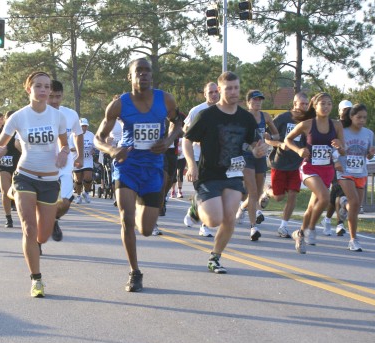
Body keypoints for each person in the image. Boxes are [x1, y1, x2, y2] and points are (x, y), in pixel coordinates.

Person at [94, 58, 181, 291]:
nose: (143, 75)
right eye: (138, 71)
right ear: (130, 77)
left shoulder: (166, 99)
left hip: (153, 167)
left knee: (146, 229)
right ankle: (134, 272)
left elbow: (179, 122)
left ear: (152, 76)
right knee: (126, 220)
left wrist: (169, 140)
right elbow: (98, 138)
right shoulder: (119, 105)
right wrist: (113, 150)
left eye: (147, 71)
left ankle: (147, 201)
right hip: (127, 165)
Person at [0, 71, 68, 298]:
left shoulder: (57, 117)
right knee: (28, 229)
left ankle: (50, 221)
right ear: (29, 89)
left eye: (46, 87)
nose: (43, 91)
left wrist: (64, 153)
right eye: (38, 86)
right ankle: (36, 280)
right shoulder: (19, 117)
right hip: (25, 175)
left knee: (42, 236)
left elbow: (64, 144)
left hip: (50, 179)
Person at [183, 71, 270, 273]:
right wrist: (192, 165)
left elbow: (253, 143)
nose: (233, 92)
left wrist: (258, 150)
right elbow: (187, 139)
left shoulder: (245, 118)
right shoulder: (207, 115)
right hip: (209, 174)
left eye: (236, 88)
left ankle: (215, 258)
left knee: (229, 218)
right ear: (220, 90)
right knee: (214, 220)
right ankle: (197, 206)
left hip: (233, 174)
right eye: (229, 88)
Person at [285, 92, 346, 254]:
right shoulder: (307, 124)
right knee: (325, 197)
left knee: (312, 207)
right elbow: (288, 139)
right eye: (322, 103)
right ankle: (311, 229)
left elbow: (344, 151)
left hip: (327, 170)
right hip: (309, 168)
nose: (326, 107)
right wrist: (298, 150)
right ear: (315, 105)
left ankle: (300, 233)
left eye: (329, 103)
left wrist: (339, 145)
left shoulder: (337, 125)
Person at [235, 90, 279, 241]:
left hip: (260, 157)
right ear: (248, 102)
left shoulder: (265, 116)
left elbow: (277, 135)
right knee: (252, 192)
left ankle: (242, 207)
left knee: (258, 193)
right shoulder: (243, 117)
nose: (257, 103)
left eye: (260, 100)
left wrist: (269, 137)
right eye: (254, 100)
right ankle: (253, 227)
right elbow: (238, 139)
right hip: (247, 156)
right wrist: (251, 148)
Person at [263, 92, 309, 238]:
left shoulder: (308, 121)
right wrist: (279, 144)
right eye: (302, 103)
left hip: (296, 164)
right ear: (294, 104)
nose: (305, 106)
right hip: (280, 162)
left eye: (307, 104)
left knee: (293, 194)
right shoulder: (283, 118)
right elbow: (267, 138)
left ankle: (284, 226)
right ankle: (267, 192)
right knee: (278, 197)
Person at [337, 103, 375, 251]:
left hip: (361, 172)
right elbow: (333, 148)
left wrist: (371, 154)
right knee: (354, 202)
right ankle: (353, 239)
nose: (362, 120)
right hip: (345, 172)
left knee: (355, 206)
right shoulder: (342, 131)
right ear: (351, 117)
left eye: (364, 118)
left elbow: (368, 155)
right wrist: (335, 162)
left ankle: (343, 204)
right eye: (358, 117)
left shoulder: (369, 134)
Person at [46, 80, 83, 242]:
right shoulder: (35, 114)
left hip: (64, 165)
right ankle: (38, 239)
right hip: (41, 166)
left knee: (65, 203)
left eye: (58, 97)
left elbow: (78, 134)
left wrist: (80, 155)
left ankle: (53, 220)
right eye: (51, 96)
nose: (54, 100)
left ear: (62, 96)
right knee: (41, 207)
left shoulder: (71, 114)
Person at [182, 81, 220, 238]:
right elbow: (185, 131)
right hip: (198, 157)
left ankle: (194, 212)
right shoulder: (197, 110)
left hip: (217, 159)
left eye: (216, 91)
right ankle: (205, 225)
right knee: (206, 192)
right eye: (210, 92)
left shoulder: (226, 110)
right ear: (205, 94)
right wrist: (196, 138)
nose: (213, 94)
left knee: (213, 192)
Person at [0, 110, 20, 228]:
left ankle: (23, 215)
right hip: (2, 167)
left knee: (19, 193)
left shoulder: (21, 133)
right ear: (6, 120)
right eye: (10, 119)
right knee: (6, 192)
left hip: (19, 166)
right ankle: (8, 217)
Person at [73, 118, 95, 204]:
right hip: (77, 159)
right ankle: (78, 196)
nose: (84, 128)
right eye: (82, 126)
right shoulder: (73, 135)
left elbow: (94, 146)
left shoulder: (91, 135)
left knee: (88, 177)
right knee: (78, 179)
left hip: (87, 159)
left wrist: (93, 150)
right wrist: (79, 149)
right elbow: (71, 148)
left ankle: (86, 192)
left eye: (85, 126)